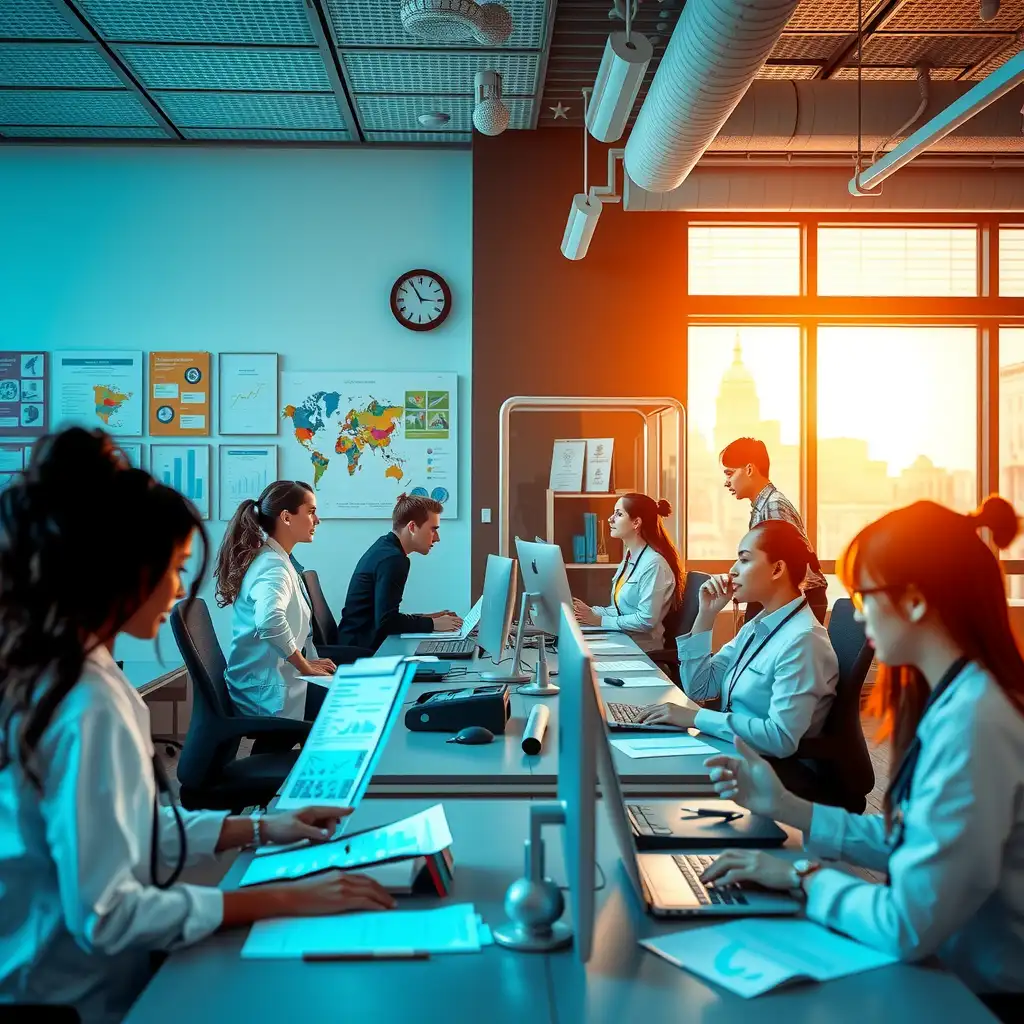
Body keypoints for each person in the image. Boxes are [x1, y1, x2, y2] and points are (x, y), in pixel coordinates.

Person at [0, 429, 395, 1023]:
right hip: (73, 996)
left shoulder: (74, 673)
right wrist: (280, 899)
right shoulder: (88, 705)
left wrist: (265, 829)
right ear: (123, 570)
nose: (183, 591)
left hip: (69, 973)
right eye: (177, 569)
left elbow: (137, 830)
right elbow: (108, 916)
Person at [699, 497, 1024, 1022]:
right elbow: (910, 844)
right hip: (947, 970)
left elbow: (907, 925)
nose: (857, 611)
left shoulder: (977, 722)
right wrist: (787, 805)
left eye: (867, 593)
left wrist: (802, 878)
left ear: (915, 602)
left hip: (975, 995)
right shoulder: (957, 699)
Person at [637, 518, 838, 760]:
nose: (732, 570)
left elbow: (780, 739)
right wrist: (706, 614)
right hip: (728, 746)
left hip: (765, 768)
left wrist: (695, 717)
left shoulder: (804, 641)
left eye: (744, 560)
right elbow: (700, 687)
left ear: (777, 569)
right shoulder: (759, 624)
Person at [216, 480, 335, 722]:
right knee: (354, 709)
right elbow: (270, 621)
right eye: (311, 512)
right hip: (268, 692)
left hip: (273, 680)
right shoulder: (273, 567)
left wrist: (308, 662)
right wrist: (304, 666)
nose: (317, 520)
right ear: (286, 517)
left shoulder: (275, 560)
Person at [721, 436, 828, 623]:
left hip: (799, 598)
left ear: (749, 469)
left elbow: (787, 568)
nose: (726, 482)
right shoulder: (763, 506)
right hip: (786, 597)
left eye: (729, 474)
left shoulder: (773, 506)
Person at [337, 493, 462, 651]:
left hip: (356, 641)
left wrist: (430, 617)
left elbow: (385, 615)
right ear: (412, 527)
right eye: (433, 530)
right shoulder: (394, 559)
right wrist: (433, 624)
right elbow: (387, 622)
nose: (437, 538)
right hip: (361, 651)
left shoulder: (385, 546)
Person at [571, 493, 684, 651]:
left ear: (636, 522)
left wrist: (599, 620)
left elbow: (645, 620)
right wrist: (589, 612)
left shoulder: (654, 564)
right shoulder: (631, 557)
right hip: (622, 640)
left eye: (619, 514)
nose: (610, 519)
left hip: (642, 650)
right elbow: (621, 611)